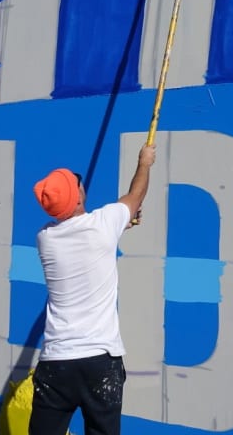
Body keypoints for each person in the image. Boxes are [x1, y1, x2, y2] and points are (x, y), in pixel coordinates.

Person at [28, 144, 157, 435]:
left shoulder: (45, 238)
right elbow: (136, 195)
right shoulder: (104, 224)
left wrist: (120, 225)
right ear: (76, 199)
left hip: (56, 363)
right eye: (77, 182)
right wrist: (144, 162)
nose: (80, 182)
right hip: (100, 362)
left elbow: (84, 235)